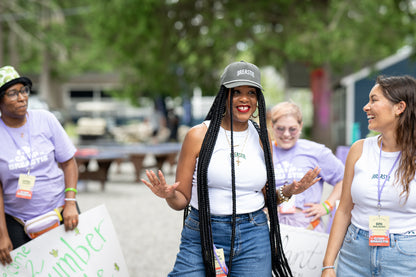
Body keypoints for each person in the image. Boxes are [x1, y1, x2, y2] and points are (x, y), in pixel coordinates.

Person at [141, 61, 321, 276]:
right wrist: (169, 195)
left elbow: (265, 198)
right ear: (224, 97)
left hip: (253, 233)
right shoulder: (198, 135)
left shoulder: (263, 138)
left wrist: (289, 191)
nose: (244, 98)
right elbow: (181, 200)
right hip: (202, 231)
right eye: (236, 92)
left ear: (257, 100)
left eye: (251, 93)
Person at [322, 75, 416, 276]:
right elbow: (344, 210)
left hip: (406, 257)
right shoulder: (359, 150)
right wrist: (328, 264)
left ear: (399, 107)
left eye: (374, 100)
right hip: (354, 253)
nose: (366, 107)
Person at [0, 66, 79, 265]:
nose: (22, 97)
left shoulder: (46, 120)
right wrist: (2, 235)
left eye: (24, 90)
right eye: (13, 93)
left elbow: (69, 163)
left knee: (72, 266)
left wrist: (70, 202)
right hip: (16, 221)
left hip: (61, 211)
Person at [271, 102, 344, 232]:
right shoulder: (264, 151)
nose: (286, 134)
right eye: (280, 128)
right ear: (272, 126)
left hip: (308, 227)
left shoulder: (315, 151)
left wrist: (327, 206)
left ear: (301, 126)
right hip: (271, 228)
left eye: (292, 129)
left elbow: (344, 179)